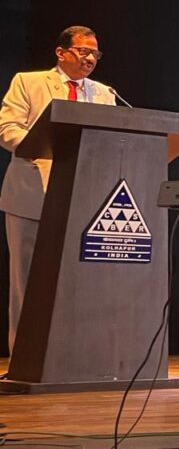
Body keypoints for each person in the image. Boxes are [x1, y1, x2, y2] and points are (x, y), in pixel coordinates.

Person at [0, 26, 116, 353]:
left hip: (85, 200)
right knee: (27, 280)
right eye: (83, 51)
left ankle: (70, 355)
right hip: (31, 195)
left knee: (76, 281)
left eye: (95, 54)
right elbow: (7, 128)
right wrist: (42, 146)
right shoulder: (29, 82)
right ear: (61, 53)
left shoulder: (105, 93)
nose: (90, 59)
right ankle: (24, 356)